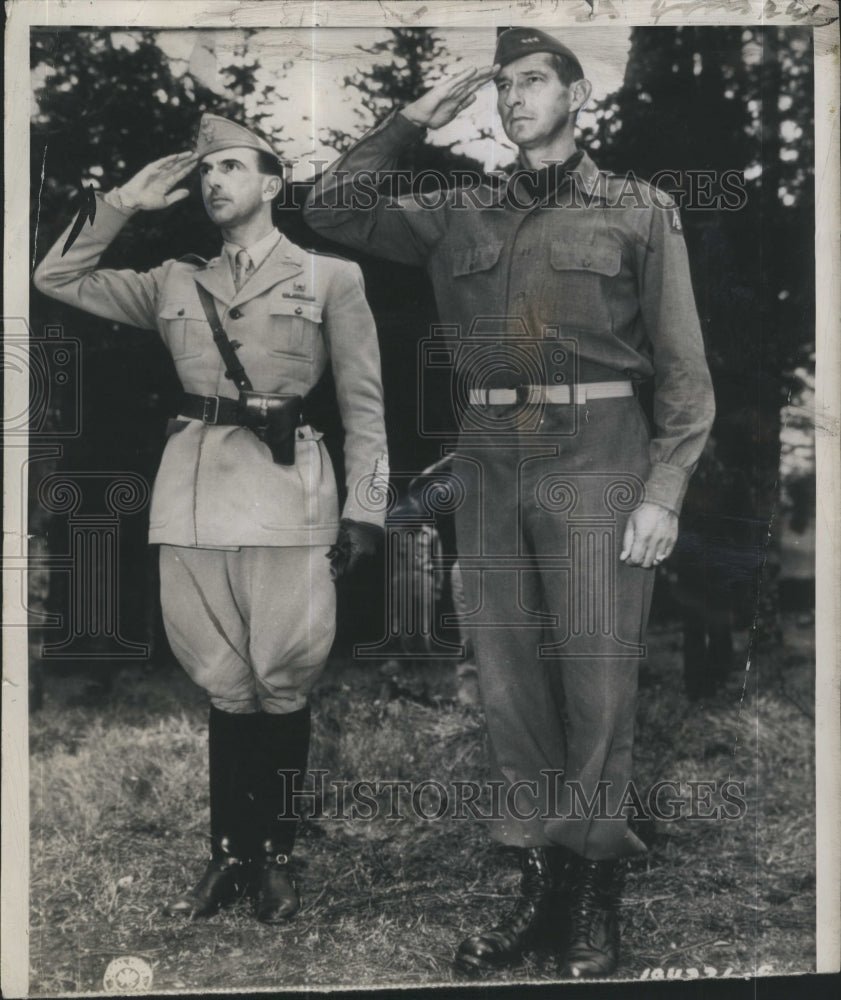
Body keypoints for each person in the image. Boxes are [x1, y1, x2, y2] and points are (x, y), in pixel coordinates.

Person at [303, 28, 715, 977]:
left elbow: (686, 373)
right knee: (507, 680)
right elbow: (329, 208)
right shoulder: (457, 213)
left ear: (578, 95)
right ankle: (542, 886)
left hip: (598, 454)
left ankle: (596, 897)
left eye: (536, 79)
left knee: (598, 680)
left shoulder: (637, 210)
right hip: (488, 460)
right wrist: (411, 122)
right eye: (505, 84)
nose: (516, 95)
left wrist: (663, 491)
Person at [34, 113, 388, 924]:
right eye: (205, 173)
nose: (213, 182)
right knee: (224, 685)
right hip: (191, 500)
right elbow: (56, 276)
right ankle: (229, 854)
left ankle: (279, 857)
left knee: (283, 679)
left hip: (285, 495)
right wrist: (122, 201)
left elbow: (365, 405)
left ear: (271, 184)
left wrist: (367, 508)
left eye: (231, 167)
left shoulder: (329, 277)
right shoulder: (171, 280)